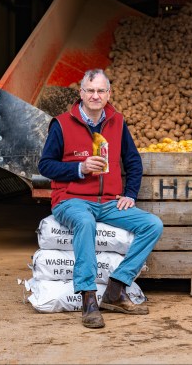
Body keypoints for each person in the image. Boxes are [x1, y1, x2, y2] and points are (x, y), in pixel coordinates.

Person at [38, 68, 163, 329]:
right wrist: (79, 168)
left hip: (108, 201)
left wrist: (129, 194)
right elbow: (45, 166)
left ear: (109, 94)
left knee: (152, 224)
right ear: (81, 93)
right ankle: (88, 298)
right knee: (85, 223)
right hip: (71, 199)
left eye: (100, 91)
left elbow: (133, 163)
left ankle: (116, 289)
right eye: (90, 90)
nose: (95, 95)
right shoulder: (61, 124)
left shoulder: (117, 122)